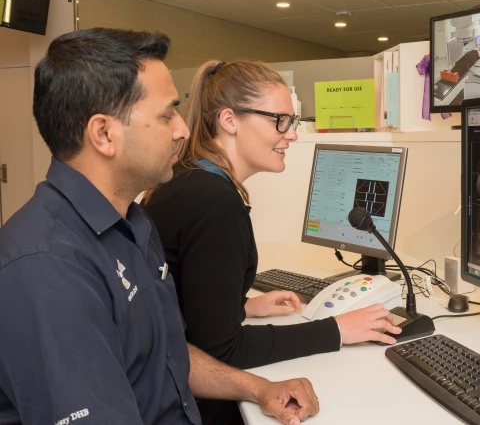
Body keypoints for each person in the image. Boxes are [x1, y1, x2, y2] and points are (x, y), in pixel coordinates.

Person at [0, 28, 319, 425]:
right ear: (104, 134)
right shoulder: (47, 267)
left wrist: (256, 388)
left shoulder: (133, 225)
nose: (184, 130)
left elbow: (168, 357)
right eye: (167, 115)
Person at [143, 60, 402, 424]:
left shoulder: (186, 178)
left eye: (292, 122)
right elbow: (224, 351)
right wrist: (338, 329)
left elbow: (179, 298)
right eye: (279, 120)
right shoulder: (216, 206)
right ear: (230, 120)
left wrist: (244, 307)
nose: (292, 134)